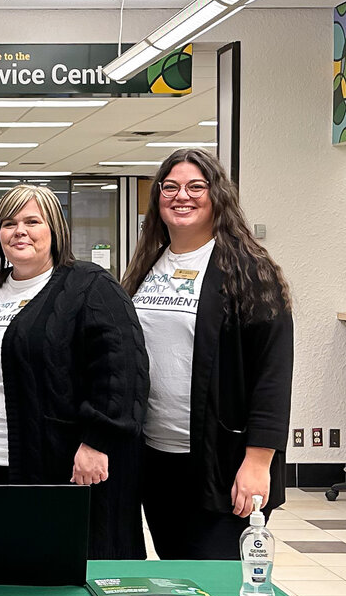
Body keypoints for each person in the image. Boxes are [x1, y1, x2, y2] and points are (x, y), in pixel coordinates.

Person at [0, 184, 148, 559]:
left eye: (32, 221)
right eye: (9, 223)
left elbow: (121, 370)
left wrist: (97, 441)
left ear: (55, 229)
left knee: (53, 576)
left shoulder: (89, 285)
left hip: (56, 468)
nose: (19, 231)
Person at [123, 149, 293, 560]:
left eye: (196, 186)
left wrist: (259, 462)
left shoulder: (250, 270)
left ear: (217, 195)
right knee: (176, 571)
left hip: (223, 461)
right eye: (171, 187)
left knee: (215, 580)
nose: (183, 196)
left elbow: (272, 374)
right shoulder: (148, 264)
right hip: (157, 456)